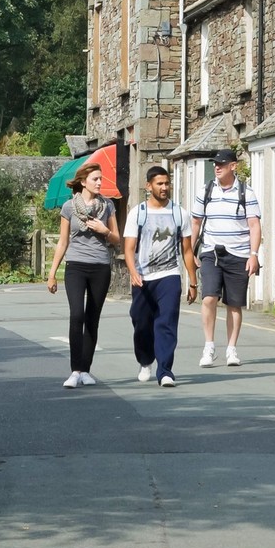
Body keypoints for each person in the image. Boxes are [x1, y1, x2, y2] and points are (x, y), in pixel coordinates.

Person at [46, 162, 120, 388]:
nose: (99, 182)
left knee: (92, 319)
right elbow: (63, 241)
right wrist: (52, 273)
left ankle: (86, 370)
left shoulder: (107, 206)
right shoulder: (69, 207)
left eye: (101, 179)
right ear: (83, 181)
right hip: (76, 266)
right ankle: (75, 370)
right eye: (95, 179)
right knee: (77, 314)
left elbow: (117, 239)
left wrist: (105, 231)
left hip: (100, 267)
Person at [123, 166, 196, 387]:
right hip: (143, 277)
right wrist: (133, 271)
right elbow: (129, 248)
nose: (164, 187)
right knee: (141, 322)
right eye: (159, 184)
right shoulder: (138, 213)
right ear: (149, 186)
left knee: (167, 322)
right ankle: (145, 360)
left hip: (169, 275)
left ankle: (165, 371)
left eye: (167, 183)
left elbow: (187, 250)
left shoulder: (179, 213)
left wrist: (193, 282)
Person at [193, 148, 261, 368]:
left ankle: (231, 349)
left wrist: (253, 255)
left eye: (221, 164)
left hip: (239, 254)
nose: (217, 167)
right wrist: (189, 252)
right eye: (215, 164)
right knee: (209, 297)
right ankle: (209, 347)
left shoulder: (246, 193)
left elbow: (254, 225)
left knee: (234, 304)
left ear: (233, 166)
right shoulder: (206, 191)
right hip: (211, 252)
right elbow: (195, 223)